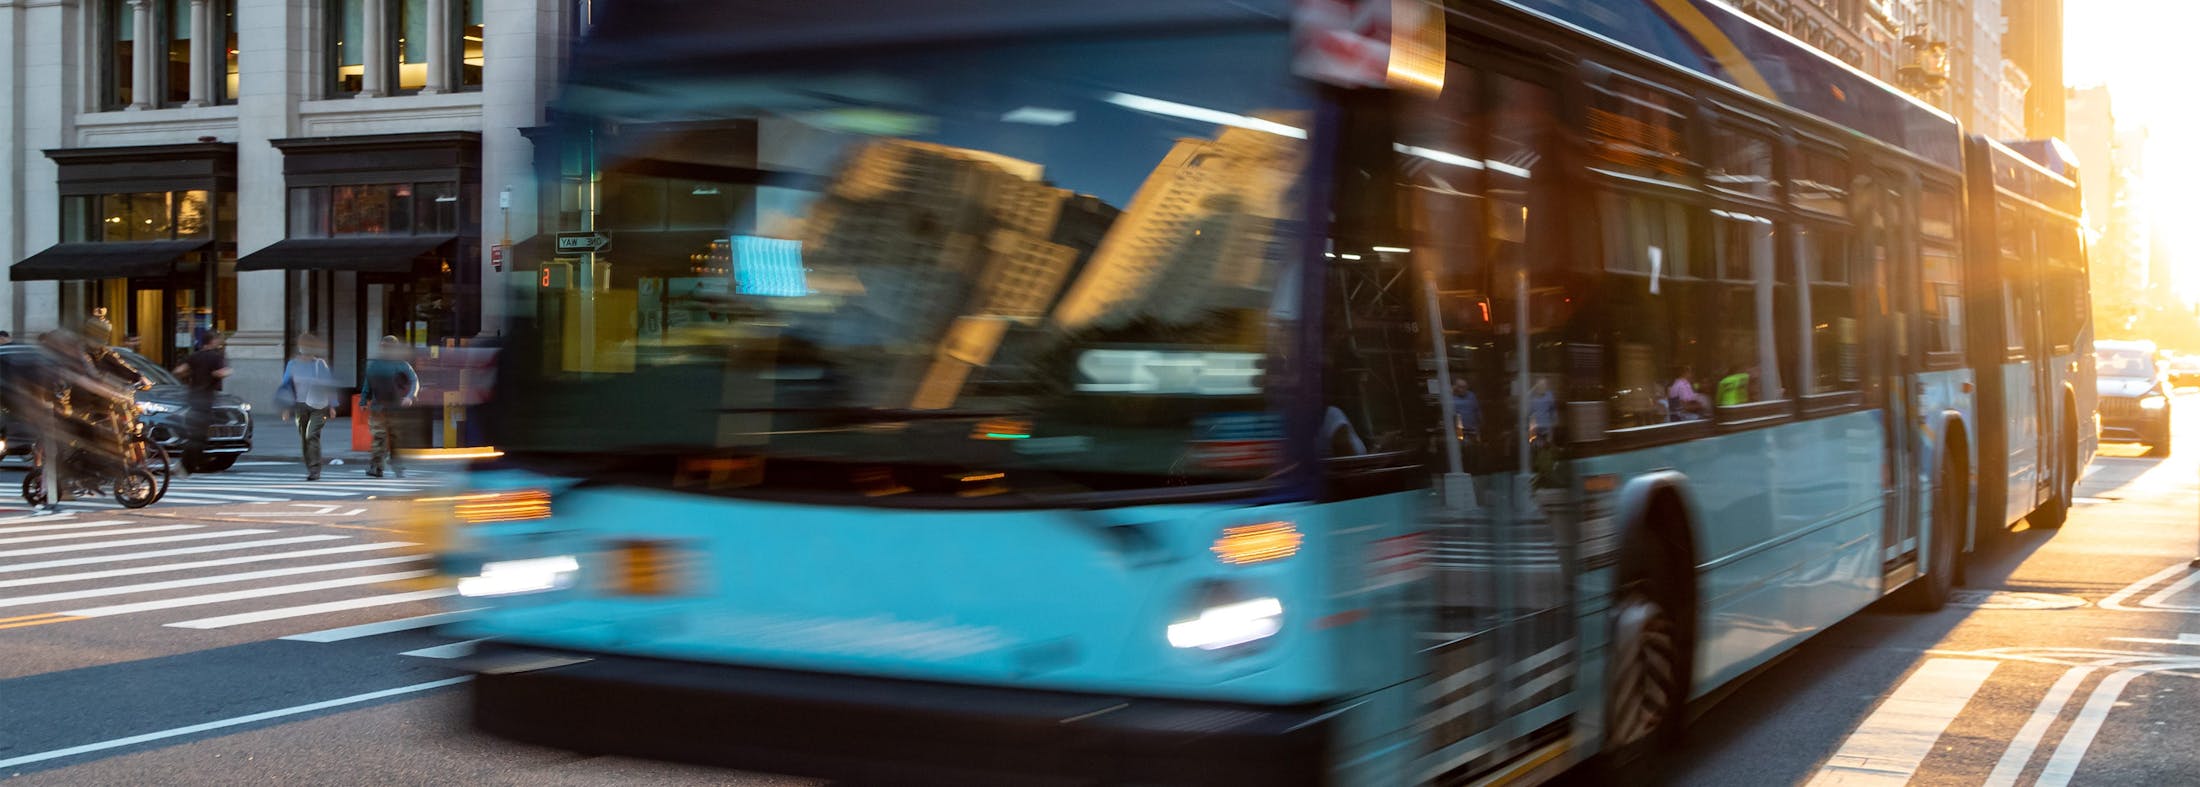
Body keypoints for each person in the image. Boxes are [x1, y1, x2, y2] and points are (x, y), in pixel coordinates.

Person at [277, 333, 339, 481]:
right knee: (304, 438)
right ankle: (311, 468)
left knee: (311, 435)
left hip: (319, 406)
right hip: (300, 406)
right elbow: (286, 386)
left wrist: (332, 405)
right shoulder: (292, 364)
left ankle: (315, 469)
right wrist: (285, 407)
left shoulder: (320, 364)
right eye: (303, 345)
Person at [174, 331, 232, 475]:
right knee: (200, 436)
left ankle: (189, 465)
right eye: (217, 339)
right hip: (206, 399)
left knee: (196, 434)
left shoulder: (195, 356)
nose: (219, 342)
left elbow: (179, 370)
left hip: (193, 397)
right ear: (212, 341)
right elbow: (223, 372)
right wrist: (223, 372)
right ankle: (187, 465)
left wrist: (189, 378)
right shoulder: (216, 357)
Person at [361, 336, 418, 478]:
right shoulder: (377, 365)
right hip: (379, 407)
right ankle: (377, 466)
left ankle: (393, 466)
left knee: (393, 438)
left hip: (394, 407)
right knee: (381, 437)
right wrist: (363, 400)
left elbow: (414, 381)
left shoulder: (401, 365)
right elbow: (368, 384)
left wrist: (410, 397)